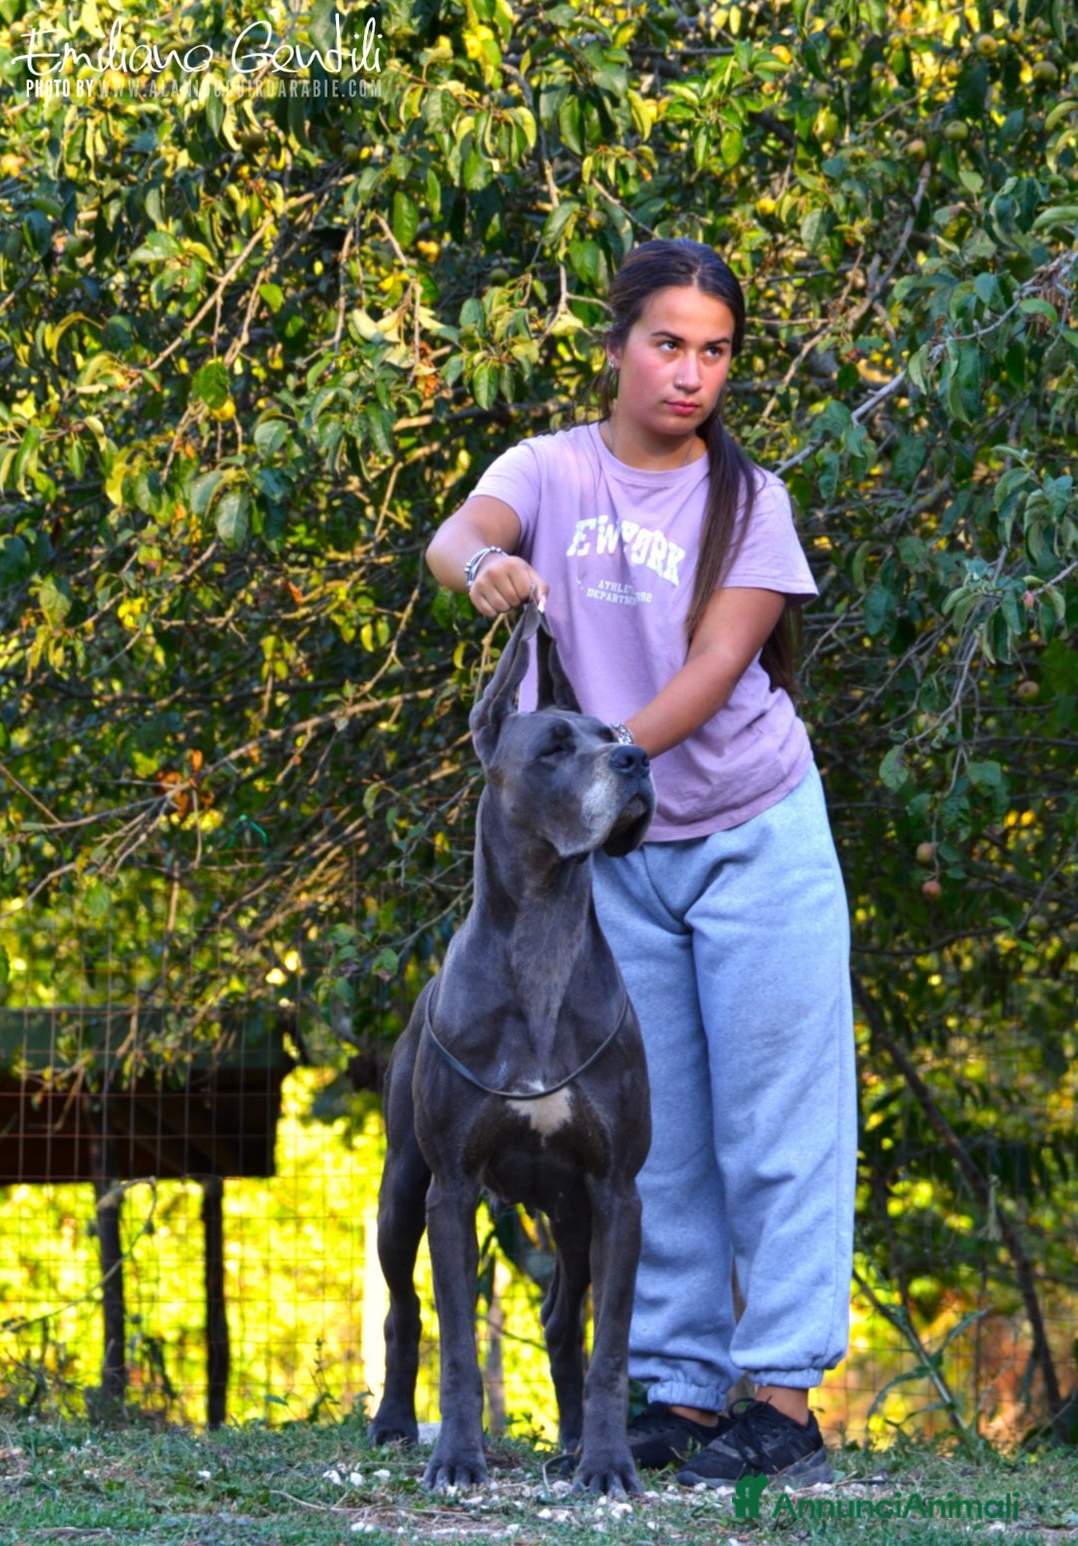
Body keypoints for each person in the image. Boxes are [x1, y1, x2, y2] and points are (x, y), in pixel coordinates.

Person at [425, 238, 857, 1487]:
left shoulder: (748, 502)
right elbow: (460, 534)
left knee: (777, 1125)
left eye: (714, 352)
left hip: (750, 834)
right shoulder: (550, 470)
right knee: (649, 1140)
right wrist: (485, 568)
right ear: (615, 345)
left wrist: (604, 767)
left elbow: (716, 673)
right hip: (613, 855)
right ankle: (676, 1389)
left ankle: (777, 1398)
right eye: (667, 344)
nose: (689, 374)